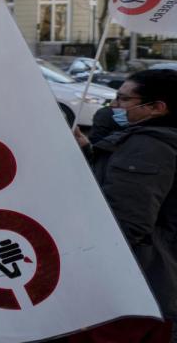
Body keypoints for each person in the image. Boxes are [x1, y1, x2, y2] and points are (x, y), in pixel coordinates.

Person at [71, 69, 177, 342]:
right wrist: (87, 152)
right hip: (150, 286)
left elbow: (126, 224)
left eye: (122, 99)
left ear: (157, 108)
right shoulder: (152, 141)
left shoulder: (148, 147)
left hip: (130, 289)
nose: (114, 106)